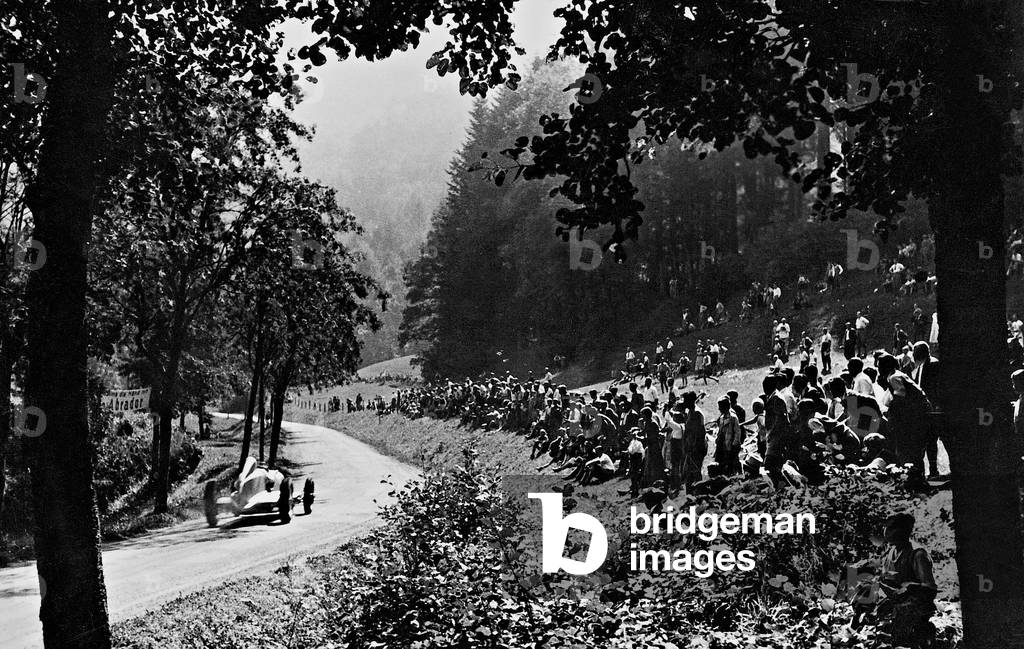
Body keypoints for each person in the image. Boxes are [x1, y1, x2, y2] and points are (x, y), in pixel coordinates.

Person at [859, 513, 938, 647]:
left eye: (891, 528)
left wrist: (910, 588)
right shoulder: (891, 552)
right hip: (896, 600)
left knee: (901, 637)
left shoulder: (918, 554)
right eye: (887, 528)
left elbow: (929, 589)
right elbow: (888, 579)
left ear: (902, 531)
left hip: (915, 604)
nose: (887, 532)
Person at [911, 341, 942, 478]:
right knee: (928, 441)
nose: (912, 355)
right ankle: (929, 470)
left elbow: (937, 388)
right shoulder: (922, 365)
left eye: (914, 352)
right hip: (925, 410)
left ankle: (934, 470)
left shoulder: (933, 365)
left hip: (933, 410)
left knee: (932, 441)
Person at [680, 391, 707, 489]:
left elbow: (700, 432)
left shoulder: (697, 413)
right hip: (690, 446)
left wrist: (693, 447)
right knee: (689, 472)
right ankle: (690, 494)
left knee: (696, 471)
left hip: (697, 447)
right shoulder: (690, 412)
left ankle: (699, 493)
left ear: (691, 401)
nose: (684, 402)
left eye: (685, 400)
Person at [713, 396, 742, 476]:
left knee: (731, 463)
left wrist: (735, 444)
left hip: (730, 445)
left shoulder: (733, 417)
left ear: (726, 407)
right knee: (722, 463)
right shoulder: (722, 418)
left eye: (721, 407)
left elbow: (737, 432)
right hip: (722, 444)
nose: (719, 409)